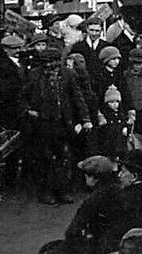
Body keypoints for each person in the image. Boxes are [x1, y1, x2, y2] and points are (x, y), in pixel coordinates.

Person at [22, 48, 91, 204]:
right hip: (43, 123)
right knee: (45, 158)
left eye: (53, 63)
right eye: (47, 64)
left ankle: (63, 191)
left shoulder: (68, 74)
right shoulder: (34, 74)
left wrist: (85, 118)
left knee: (63, 158)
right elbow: (23, 96)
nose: (51, 67)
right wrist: (29, 111)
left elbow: (77, 97)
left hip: (63, 123)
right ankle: (46, 192)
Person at [66, 155, 125, 254]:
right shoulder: (121, 193)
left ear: (94, 179)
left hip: (98, 252)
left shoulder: (93, 200)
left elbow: (73, 231)